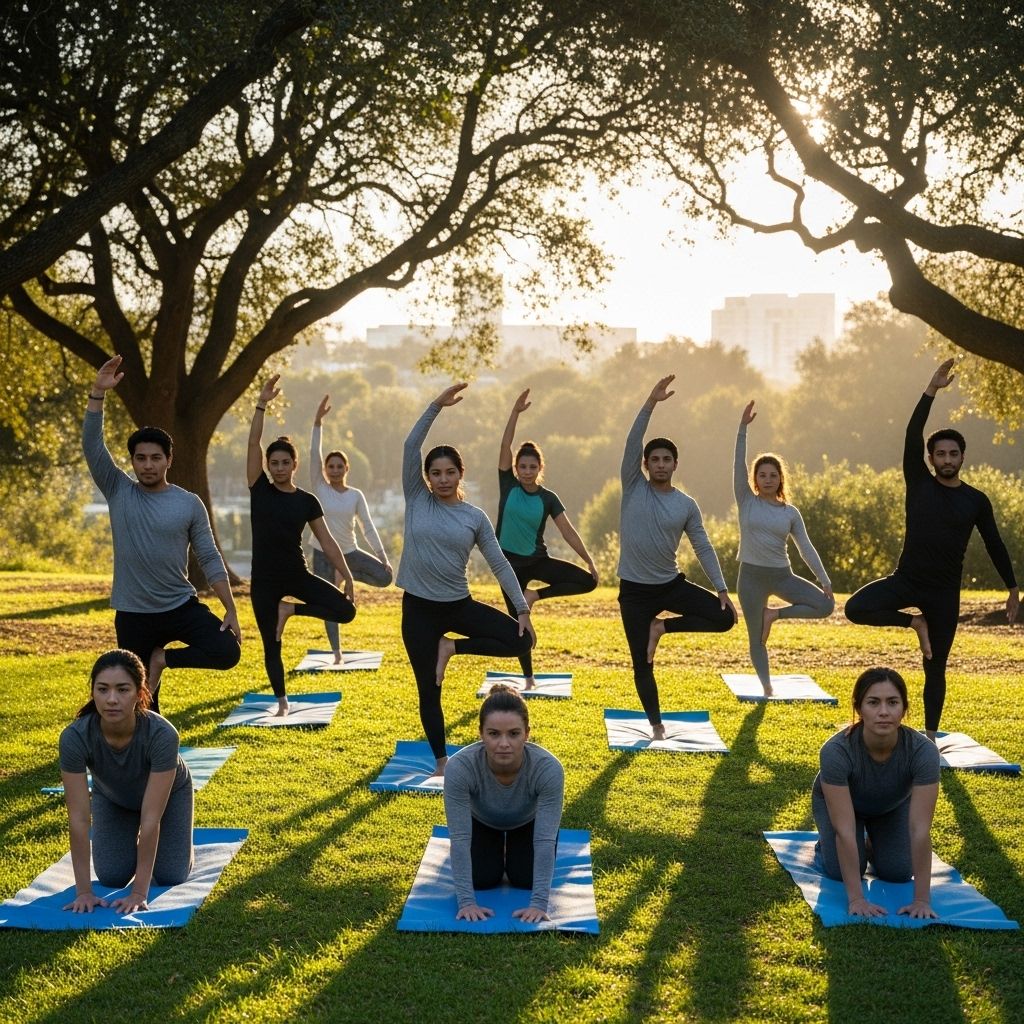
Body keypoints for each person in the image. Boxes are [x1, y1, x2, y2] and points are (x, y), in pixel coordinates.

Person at [844, 359, 1019, 736]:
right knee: (856, 607)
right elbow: (911, 432)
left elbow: (995, 543)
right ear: (930, 459)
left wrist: (1012, 588)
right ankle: (914, 622)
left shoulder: (976, 500)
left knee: (935, 667)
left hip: (943, 593)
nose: (947, 460)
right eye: (940, 454)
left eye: (953, 454)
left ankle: (930, 737)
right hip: (906, 580)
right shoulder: (919, 483)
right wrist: (931, 391)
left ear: (962, 458)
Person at [84, 354, 241, 714]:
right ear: (133, 461)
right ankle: (147, 752)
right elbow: (93, 447)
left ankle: (162, 659)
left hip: (179, 606)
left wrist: (229, 607)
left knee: (227, 651)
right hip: (133, 613)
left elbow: (209, 556)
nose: (148, 465)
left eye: (155, 458)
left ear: (169, 460)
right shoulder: (119, 490)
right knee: (139, 704)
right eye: (141, 458)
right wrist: (97, 393)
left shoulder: (188, 503)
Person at [398, 383, 535, 776]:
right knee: (430, 689)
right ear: (426, 477)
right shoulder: (417, 498)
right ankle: (441, 761)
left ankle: (451, 649)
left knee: (523, 640)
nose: (442, 479)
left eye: (450, 472)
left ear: (461, 474)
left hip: (457, 605)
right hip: (419, 608)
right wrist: (435, 406)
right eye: (436, 473)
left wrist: (522, 608)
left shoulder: (473, 516)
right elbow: (410, 447)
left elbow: (499, 563)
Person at [618, 375, 737, 739]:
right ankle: (655, 725)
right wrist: (650, 402)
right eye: (654, 459)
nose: (660, 464)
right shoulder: (633, 484)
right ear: (646, 464)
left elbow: (702, 546)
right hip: (634, 593)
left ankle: (662, 627)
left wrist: (720, 588)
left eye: (666, 459)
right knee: (643, 663)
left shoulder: (686, 505)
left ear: (675, 464)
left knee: (726, 618)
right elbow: (631, 441)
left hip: (670, 586)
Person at [247, 376, 356, 716]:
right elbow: (253, 444)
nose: (278, 468)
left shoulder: (307, 501)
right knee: (271, 644)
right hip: (264, 581)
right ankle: (281, 702)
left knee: (346, 611)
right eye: (273, 463)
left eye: (284, 463)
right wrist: (261, 404)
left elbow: (326, 541)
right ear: (268, 466)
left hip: (297, 575)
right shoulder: (259, 489)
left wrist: (347, 575)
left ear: (294, 465)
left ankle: (289, 610)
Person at [60, 649, 194, 915]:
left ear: (140, 693)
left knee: (170, 875)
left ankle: (181, 845)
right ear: (93, 692)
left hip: (168, 797)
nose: (111, 699)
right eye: (102, 689)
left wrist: (138, 893)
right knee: (111, 876)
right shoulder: (75, 738)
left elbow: (150, 819)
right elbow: (78, 819)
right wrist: (84, 892)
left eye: (123, 689)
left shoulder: (162, 735)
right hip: (113, 796)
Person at [812, 667, 940, 920]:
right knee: (842, 871)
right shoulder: (836, 751)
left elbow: (920, 829)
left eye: (893, 702)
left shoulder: (923, 752)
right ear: (859, 708)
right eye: (873, 702)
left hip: (891, 805)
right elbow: (845, 830)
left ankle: (872, 843)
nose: (884, 712)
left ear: (904, 708)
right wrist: (857, 899)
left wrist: (922, 900)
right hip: (844, 804)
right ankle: (824, 845)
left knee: (899, 872)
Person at [495, 389, 598, 687]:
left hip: (537, 561)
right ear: (515, 468)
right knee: (518, 625)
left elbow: (567, 530)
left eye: (532, 467)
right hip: (508, 566)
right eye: (522, 467)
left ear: (540, 468)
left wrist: (589, 560)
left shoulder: (548, 498)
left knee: (588, 582)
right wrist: (514, 412)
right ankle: (528, 679)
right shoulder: (508, 485)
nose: (527, 471)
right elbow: (505, 444)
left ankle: (534, 596)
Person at [734, 400, 834, 695]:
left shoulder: (790, 513)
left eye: (772, 475)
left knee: (825, 606)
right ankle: (767, 689)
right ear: (754, 479)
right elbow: (737, 463)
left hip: (782, 576)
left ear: (780, 479)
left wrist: (825, 580)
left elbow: (806, 548)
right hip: (750, 578)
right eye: (762, 475)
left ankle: (773, 615)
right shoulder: (746, 501)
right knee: (756, 640)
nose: (767, 479)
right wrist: (742, 429)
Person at [443, 683, 564, 923]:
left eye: (514, 733)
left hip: (526, 823)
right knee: (483, 880)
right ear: (481, 733)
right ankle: (497, 847)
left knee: (525, 880)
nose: (504, 743)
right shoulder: (460, 768)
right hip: (483, 821)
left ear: (527, 733)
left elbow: (544, 840)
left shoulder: (548, 769)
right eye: (494, 734)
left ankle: (511, 849)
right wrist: (467, 902)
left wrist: (539, 904)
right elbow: (459, 838)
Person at [309, 394, 393, 662]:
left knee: (384, 577)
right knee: (330, 605)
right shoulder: (320, 487)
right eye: (330, 466)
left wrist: (383, 557)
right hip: (322, 553)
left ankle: (345, 578)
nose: (334, 470)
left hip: (349, 551)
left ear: (347, 468)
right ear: (325, 469)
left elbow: (367, 526)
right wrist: (317, 423)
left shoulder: (355, 495)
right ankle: (336, 652)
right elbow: (313, 454)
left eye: (339, 466)